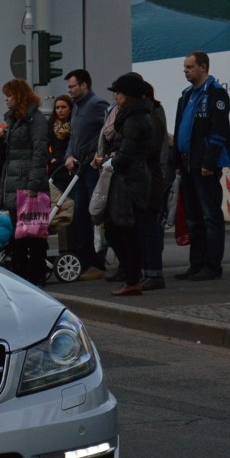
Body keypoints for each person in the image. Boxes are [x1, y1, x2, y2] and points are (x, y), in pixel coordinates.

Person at [173, 51, 230, 281]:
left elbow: (218, 131)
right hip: (188, 164)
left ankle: (212, 265)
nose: (186, 71)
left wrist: (209, 162)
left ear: (203, 67)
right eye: (184, 67)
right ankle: (196, 264)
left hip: (205, 165)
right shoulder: (186, 96)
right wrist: (177, 161)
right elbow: (180, 130)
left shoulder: (215, 93)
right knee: (193, 218)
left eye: (189, 67)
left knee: (210, 216)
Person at [100, 74, 156, 296]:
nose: (116, 97)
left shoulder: (134, 119)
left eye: (119, 92)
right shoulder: (133, 115)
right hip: (129, 178)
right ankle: (132, 276)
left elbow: (127, 154)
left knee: (123, 230)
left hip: (130, 181)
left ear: (129, 95)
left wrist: (108, 161)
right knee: (119, 229)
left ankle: (133, 278)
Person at [0, 78, 50, 287]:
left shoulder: (35, 120)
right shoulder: (16, 120)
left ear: (19, 96)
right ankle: (24, 276)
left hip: (27, 185)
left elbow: (39, 152)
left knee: (33, 235)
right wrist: (2, 139)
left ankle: (35, 276)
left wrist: (34, 184)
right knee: (20, 233)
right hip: (16, 183)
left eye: (9, 95)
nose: (6, 99)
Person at [63, 69, 111, 281]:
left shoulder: (97, 105)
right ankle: (84, 261)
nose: (69, 90)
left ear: (84, 85)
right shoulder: (77, 108)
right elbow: (74, 138)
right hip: (79, 170)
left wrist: (88, 153)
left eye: (72, 86)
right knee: (80, 215)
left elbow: (105, 135)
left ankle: (97, 262)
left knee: (94, 215)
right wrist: (69, 156)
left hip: (92, 169)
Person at [139, 82, 169, 291]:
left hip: (149, 180)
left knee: (150, 226)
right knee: (146, 227)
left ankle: (153, 272)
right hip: (148, 178)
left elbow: (154, 154)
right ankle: (148, 270)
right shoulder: (146, 118)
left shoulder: (150, 119)